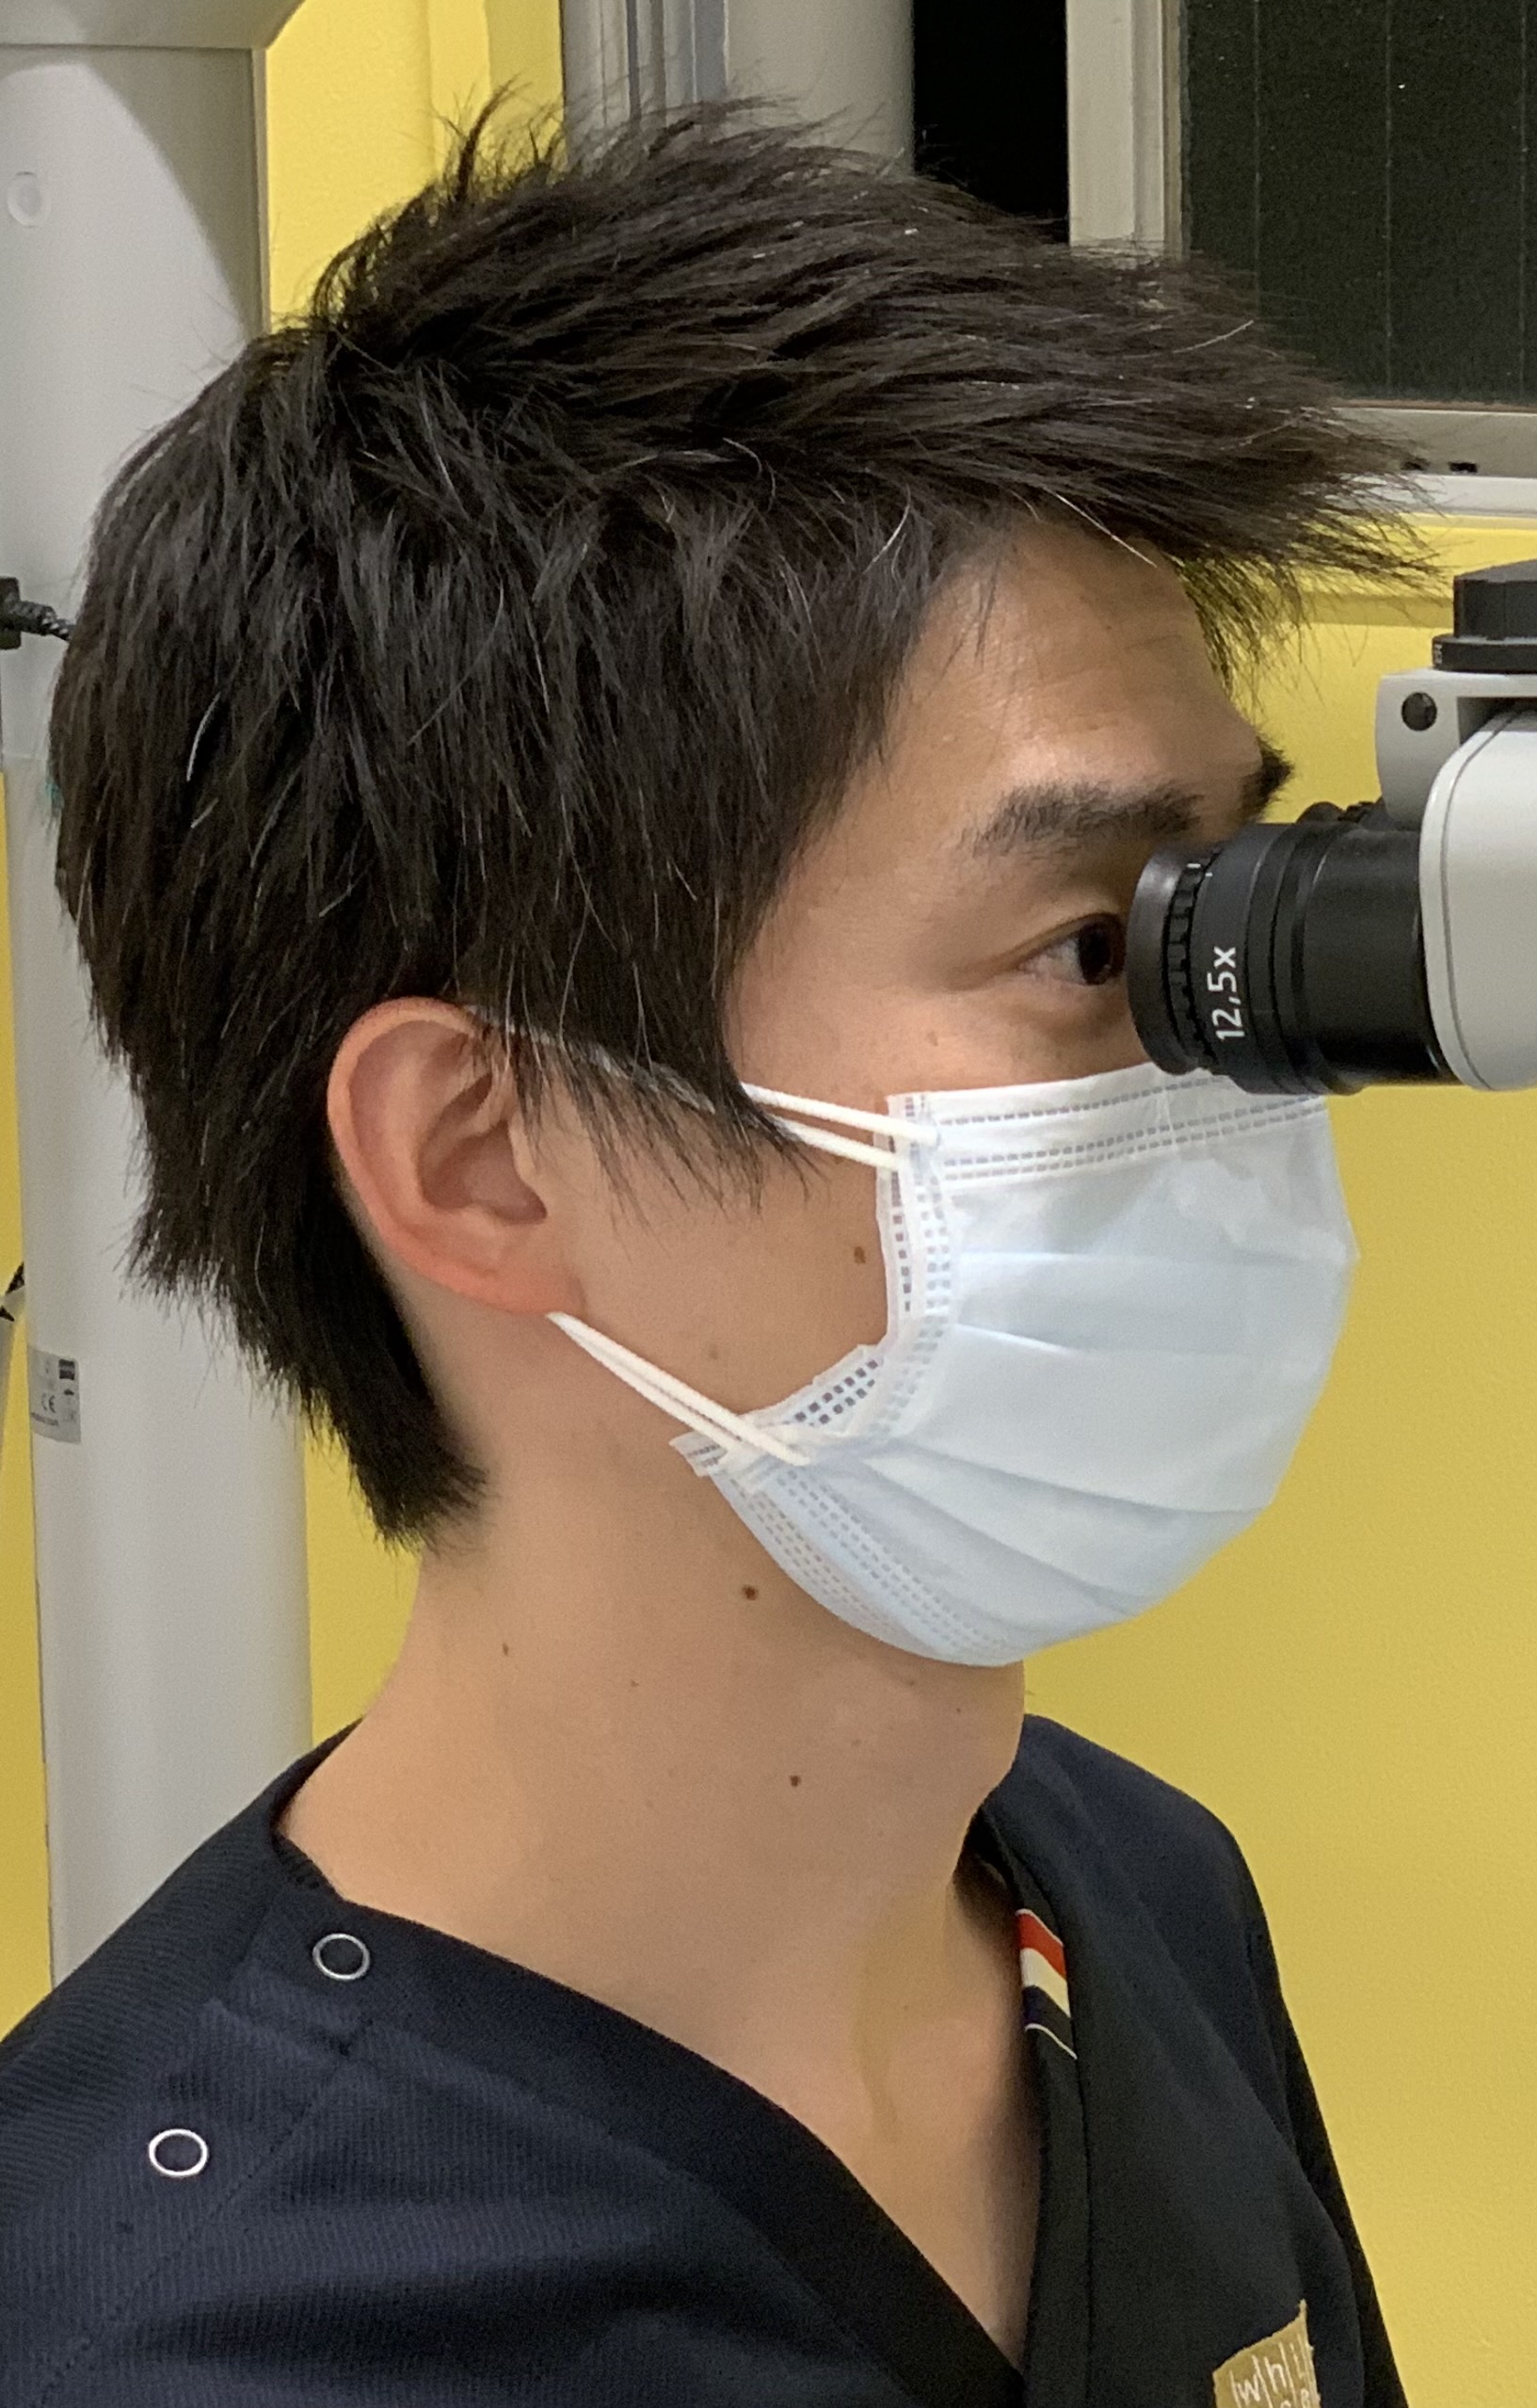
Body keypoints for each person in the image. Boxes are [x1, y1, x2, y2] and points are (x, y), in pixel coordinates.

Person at [0, 110, 1414, 2407]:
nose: (1232, 1070)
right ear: (482, 1157)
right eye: (1092, 945)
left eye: (1221, 917)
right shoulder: (164, 2341)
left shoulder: (1130, 1897)